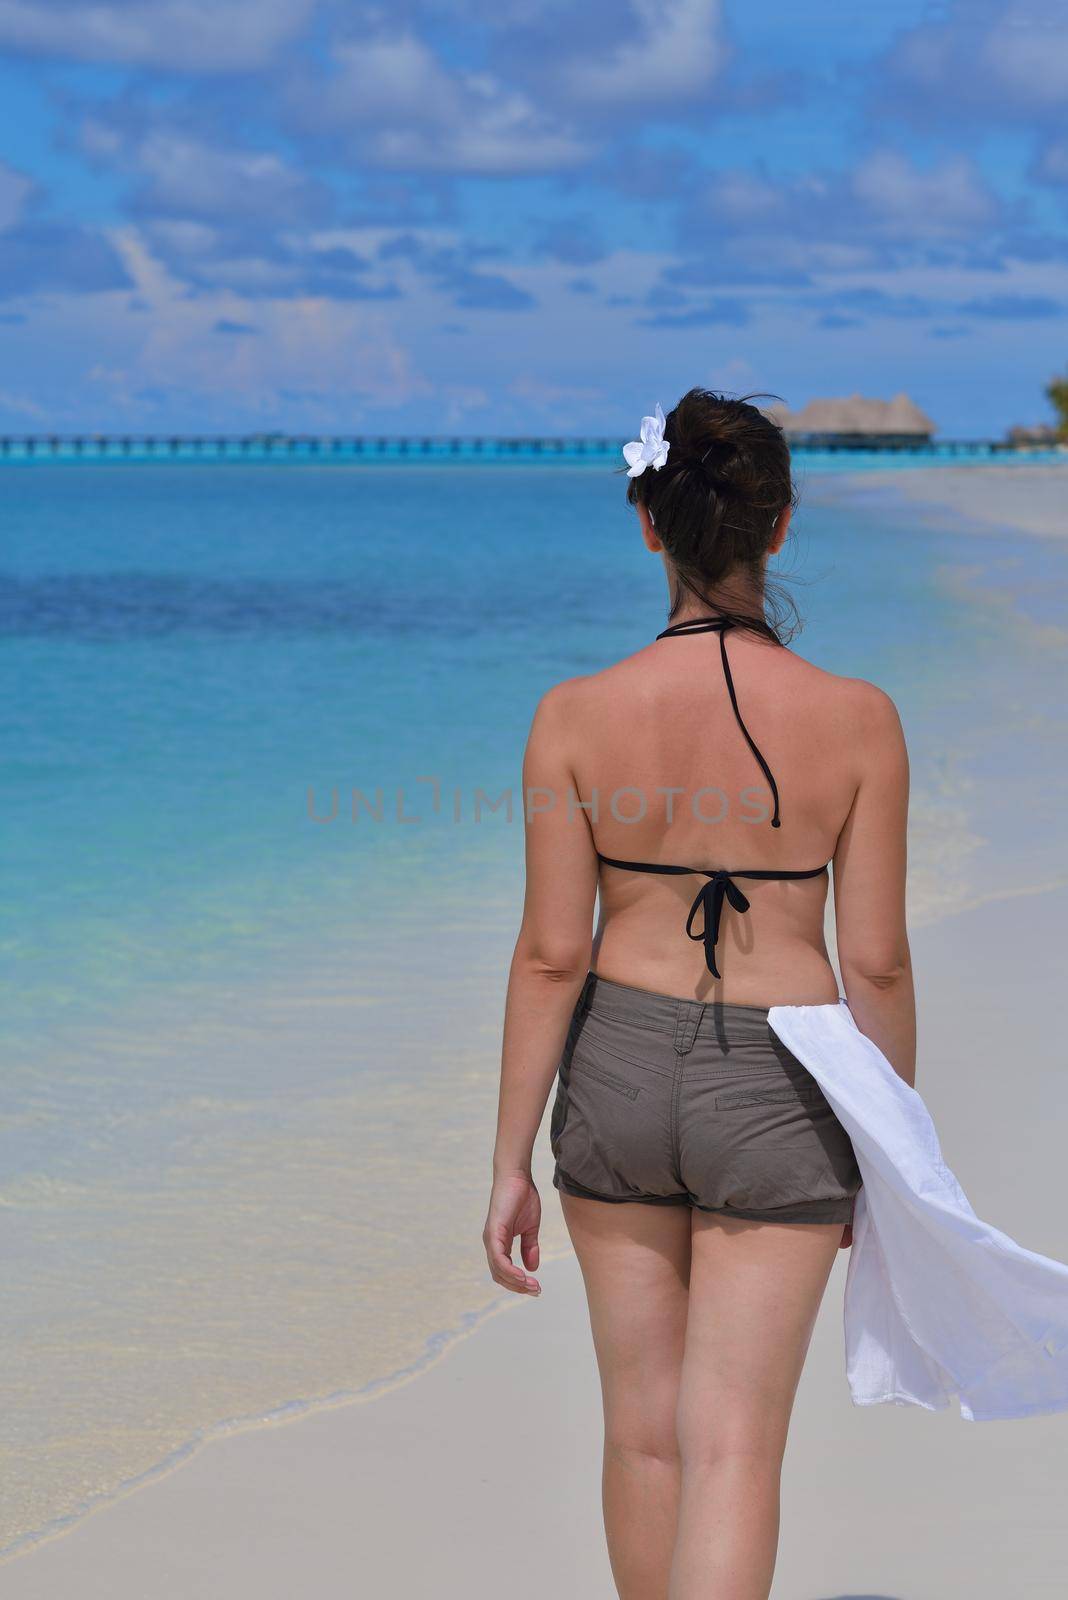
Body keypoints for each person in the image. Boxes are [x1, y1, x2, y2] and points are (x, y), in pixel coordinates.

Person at [483, 387, 913, 1600]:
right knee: (732, 1445)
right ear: (779, 531)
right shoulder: (860, 721)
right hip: (783, 1077)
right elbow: (875, 959)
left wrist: (511, 1155)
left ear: (649, 526)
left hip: (614, 1063)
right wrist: (894, 1150)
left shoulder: (571, 717)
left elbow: (549, 955)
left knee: (643, 1430)